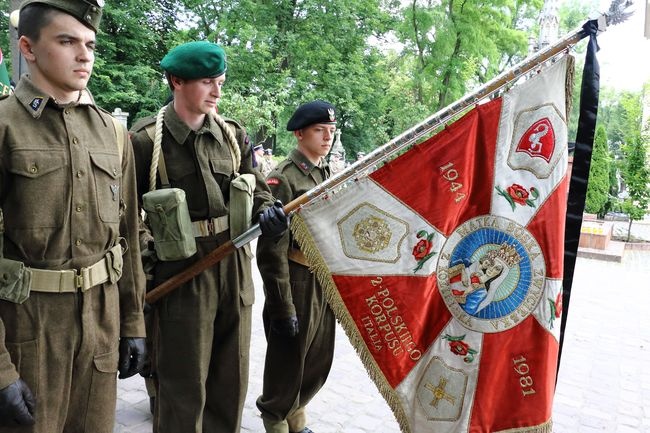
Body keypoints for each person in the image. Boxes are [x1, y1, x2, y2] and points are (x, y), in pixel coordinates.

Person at [0, 1, 147, 432]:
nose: (84, 55)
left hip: (100, 325)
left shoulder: (113, 133)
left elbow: (129, 237)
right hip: (29, 329)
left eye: (90, 44)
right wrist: (1, 371)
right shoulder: (5, 127)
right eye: (67, 42)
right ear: (27, 47)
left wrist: (133, 322)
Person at [129, 40, 288, 433]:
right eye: (207, 82)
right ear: (176, 81)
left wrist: (266, 210)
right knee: (182, 390)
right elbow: (128, 218)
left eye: (220, 81)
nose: (218, 91)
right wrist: (151, 263)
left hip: (234, 269)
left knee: (229, 383)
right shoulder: (146, 141)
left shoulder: (233, 135)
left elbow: (254, 184)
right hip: (180, 277)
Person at [256, 100, 338, 433]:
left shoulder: (325, 171)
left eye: (331, 131)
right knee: (287, 361)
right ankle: (275, 418)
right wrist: (281, 304)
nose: (327, 137)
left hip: (320, 278)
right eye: (320, 130)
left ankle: (296, 414)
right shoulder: (282, 179)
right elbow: (271, 249)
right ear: (300, 133)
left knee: (317, 358)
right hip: (296, 279)